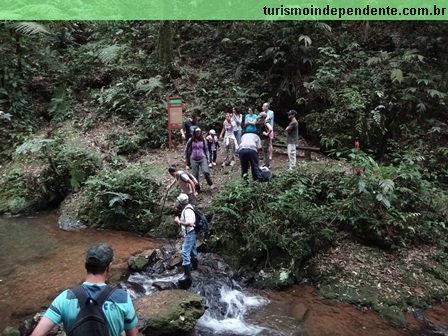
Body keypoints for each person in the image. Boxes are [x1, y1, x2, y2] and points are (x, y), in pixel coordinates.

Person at [31, 243, 138, 336]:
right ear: (109, 267)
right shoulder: (123, 299)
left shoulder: (65, 298)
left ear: (85, 265)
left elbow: (37, 334)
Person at [174, 193, 198, 289]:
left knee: (185, 252)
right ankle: (195, 266)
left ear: (180, 202)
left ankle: (187, 275)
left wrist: (178, 221)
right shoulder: (189, 207)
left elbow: (190, 223)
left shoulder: (187, 211)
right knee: (192, 249)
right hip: (192, 233)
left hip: (190, 233)